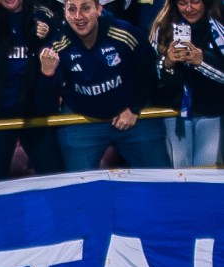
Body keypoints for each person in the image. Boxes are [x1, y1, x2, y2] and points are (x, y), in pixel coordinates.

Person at [36, 0, 170, 170]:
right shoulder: (56, 46)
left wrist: (134, 107)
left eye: (85, 8)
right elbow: (44, 105)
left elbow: (148, 71)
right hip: (81, 118)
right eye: (72, 9)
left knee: (160, 176)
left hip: (132, 115)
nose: (78, 16)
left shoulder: (125, 33)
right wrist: (47, 75)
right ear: (65, 12)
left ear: (99, 9)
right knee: (79, 182)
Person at [0, 0, 64, 181]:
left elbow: (56, 52)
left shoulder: (42, 15)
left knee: (55, 178)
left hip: (35, 114)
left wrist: (45, 35)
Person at [151, 0, 224, 168]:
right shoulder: (162, 28)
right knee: (179, 171)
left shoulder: (220, 26)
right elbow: (150, 78)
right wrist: (167, 63)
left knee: (205, 172)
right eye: (183, 3)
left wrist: (202, 61)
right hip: (174, 113)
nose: (189, 9)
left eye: (195, 2)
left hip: (211, 113)